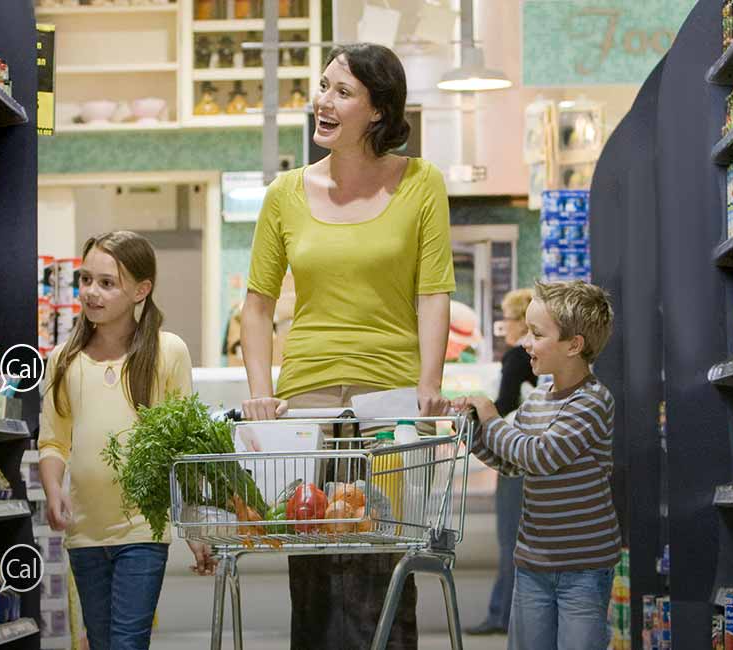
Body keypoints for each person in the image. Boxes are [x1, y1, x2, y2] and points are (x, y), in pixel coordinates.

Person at [237, 42, 454, 650]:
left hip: (391, 400)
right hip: (306, 401)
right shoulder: (284, 192)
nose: (322, 101)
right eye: (323, 86)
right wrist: (261, 392)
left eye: (342, 92)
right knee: (311, 563)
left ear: (378, 111)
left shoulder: (420, 183)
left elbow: (433, 292)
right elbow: (256, 305)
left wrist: (429, 386)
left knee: (383, 558)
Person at [37, 231, 211, 650]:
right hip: (84, 533)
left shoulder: (168, 352)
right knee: (100, 643)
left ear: (141, 290)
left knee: (127, 644)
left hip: (143, 529)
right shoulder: (64, 359)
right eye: (85, 279)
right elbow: (53, 439)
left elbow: (183, 446)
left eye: (107, 283)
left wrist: (194, 522)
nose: (91, 293)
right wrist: (52, 488)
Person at [459, 280, 619, 650]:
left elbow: (539, 455)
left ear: (573, 345)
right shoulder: (535, 403)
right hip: (532, 563)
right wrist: (470, 432)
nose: (525, 343)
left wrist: (491, 417)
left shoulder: (593, 402)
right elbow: (513, 464)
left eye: (536, 333)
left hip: (584, 566)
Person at [467, 288, 539, 636]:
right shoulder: (535, 361)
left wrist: (476, 414)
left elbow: (504, 403)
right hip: (527, 455)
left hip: (514, 456)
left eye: (508, 319)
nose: (504, 326)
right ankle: (506, 613)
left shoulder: (516, 357)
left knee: (510, 538)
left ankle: (504, 615)